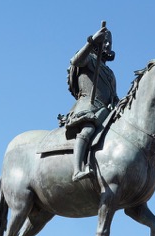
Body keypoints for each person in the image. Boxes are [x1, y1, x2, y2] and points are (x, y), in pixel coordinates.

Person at [63, 23, 118, 182]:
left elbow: (113, 95)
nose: (107, 44)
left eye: (110, 42)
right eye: (105, 41)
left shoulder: (110, 73)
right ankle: (77, 169)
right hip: (88, 106)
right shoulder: (88, 58)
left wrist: (116, 102)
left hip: (106, 111)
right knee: (87, 130)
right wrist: (92, 41)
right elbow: (76, 61)